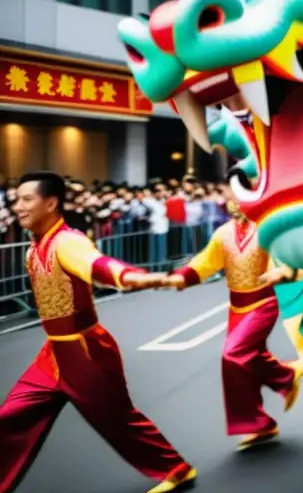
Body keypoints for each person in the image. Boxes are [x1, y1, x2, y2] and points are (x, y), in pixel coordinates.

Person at [0, 171, 196, 493]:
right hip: (53, 354)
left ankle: (175, 468)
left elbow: (99, 266)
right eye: (16, 199)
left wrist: (144, 278)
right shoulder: (33, 250)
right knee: (11, 415)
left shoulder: (68, 241)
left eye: (26, 199)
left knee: (117, 419)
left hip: (87, 351)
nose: (18, 206)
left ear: (51, 203)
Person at [166, 197, 301, 449]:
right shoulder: (223, 233)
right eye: (231, 196)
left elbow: (285, 260)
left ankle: (285, 376)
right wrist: (180, 278)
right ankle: (261, 421)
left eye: (241, 196)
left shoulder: (266, 230)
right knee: (244, 361)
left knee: (233, 355)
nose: (234, 202)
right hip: (236, 307)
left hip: (262, 304)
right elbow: (205, 262)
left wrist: (283, 271)